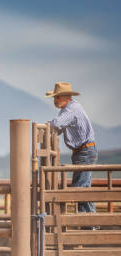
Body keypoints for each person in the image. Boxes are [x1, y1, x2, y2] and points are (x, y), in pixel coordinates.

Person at [46, 82, 98, 213]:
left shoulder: (71, 109)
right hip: (84, 151)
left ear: (66, 97)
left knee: (79, 188)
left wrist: (45, 127)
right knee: (83, 187)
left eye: (57, 97)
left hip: (84, 151)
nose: (55, 100)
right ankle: (89, 223)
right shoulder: (70, 109)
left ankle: (87, 222)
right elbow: (60, 126)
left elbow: (57, 124)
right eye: (55, 97)